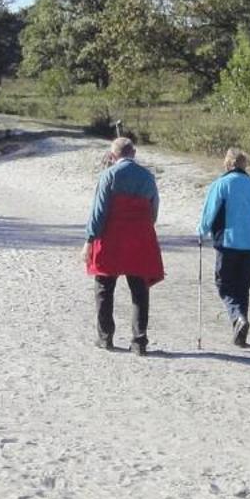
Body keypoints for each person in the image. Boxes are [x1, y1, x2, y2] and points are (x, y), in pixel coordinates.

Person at [85, 137, 163, 354]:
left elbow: (98, 212)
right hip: (139, 239)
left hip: (112, 239)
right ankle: (139, 341)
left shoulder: (108, 175)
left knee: (104, 287)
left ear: (113, 156)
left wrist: (90, 240)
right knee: (139, 290)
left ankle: (105, 336)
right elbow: (153, 209)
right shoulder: (148, 177)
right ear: (134, 153)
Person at [200, 148, 250, 347]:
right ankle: (240, 332)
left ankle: (238, 318)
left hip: (228, 243)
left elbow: (209, 213)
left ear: (228, 164)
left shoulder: (221, 184)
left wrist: (201, 232)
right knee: (243, 287)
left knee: (224, 285)